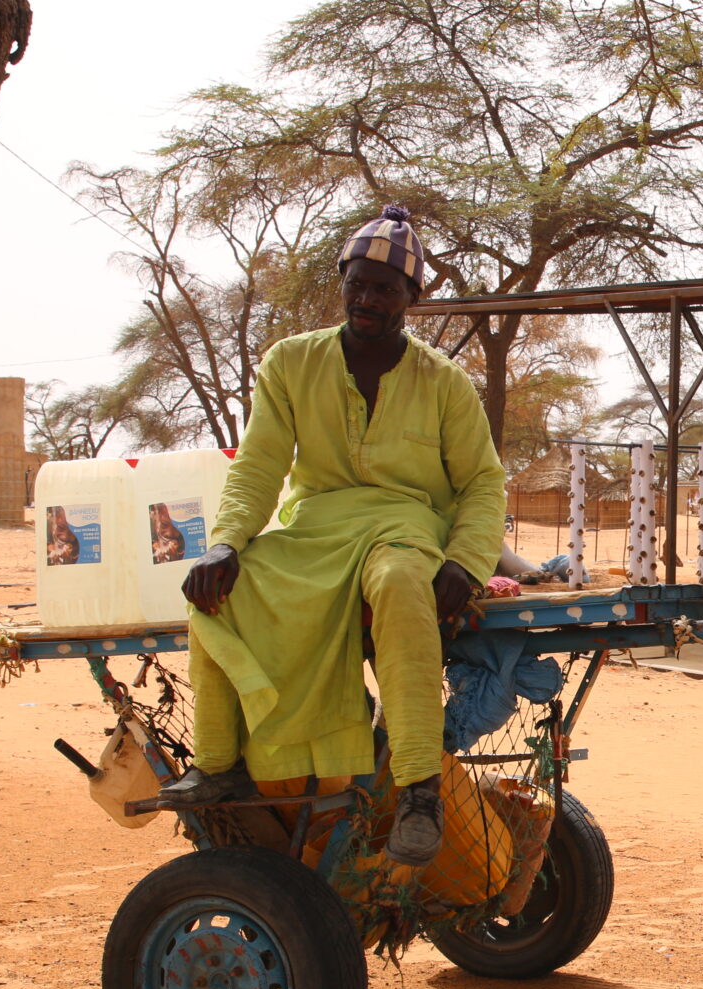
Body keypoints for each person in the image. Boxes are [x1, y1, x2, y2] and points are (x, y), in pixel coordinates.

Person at [158, 206, 507, 866]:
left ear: (413, 297)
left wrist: (465, 560)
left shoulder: (444, 383)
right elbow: (259, 466)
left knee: (405, 586)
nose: (367, 299)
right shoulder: (291, 363)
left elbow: (484, 483)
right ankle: (219, 764)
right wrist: (227, 542)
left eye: (384, 288)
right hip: (313, 529)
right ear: (341, 282)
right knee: (213, 592)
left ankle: (418, 790)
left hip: (403, 530)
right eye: (357, 284)